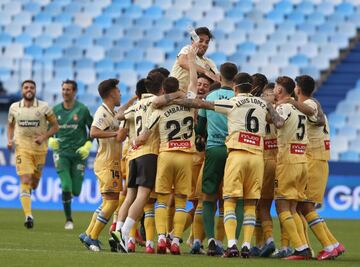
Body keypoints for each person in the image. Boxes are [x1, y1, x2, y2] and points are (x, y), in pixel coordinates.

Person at [289, 75, 345, 260]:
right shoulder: (314, 105)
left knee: (305, 207)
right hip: (317, 161)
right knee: (302, 207)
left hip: (314, 161)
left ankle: (328, 246)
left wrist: (289, 101)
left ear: (297, 89)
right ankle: (334, 244)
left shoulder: (310, 105)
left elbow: (309, 110)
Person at [112, 72, 165, 253]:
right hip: (148, 153)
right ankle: (125, 232)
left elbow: (118, 115)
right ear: (161, 88)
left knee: (129, 196)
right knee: (143, 196)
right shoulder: (158, 104)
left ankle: (118, 230)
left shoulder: (137, 105)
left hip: (132, 156)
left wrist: (134, 99)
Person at [265, 76, 311, 260]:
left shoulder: (283, 107)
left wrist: (269, 105)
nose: (274, 90)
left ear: (280, 90)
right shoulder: (298, 109)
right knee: (293, 208)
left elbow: (279, 123)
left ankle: (301, 248)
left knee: (282, 204)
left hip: (288, 161)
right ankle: (303, 247)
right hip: (302, 160)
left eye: (275, 87)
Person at [195, 62, 239, 256]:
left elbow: (200, 130)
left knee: (208, 196)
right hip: (235, 150)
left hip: (213, 149)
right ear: (235, 78)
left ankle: (210, 239)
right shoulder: (239, 99)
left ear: (219, 76)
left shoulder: (210, 97)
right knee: (233, 198)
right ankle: (233, 242)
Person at [80, 79, 125, 252]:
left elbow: (121, 112)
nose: (120, 93)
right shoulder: (102, 112)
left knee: (107, 202)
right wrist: (116, 133)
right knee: (112, 203)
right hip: (107, 163)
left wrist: (135, 97)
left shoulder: (110, 112)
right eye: (118, 91)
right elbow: (93, 132)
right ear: (112, 93)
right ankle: (93, 237)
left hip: (109, 162)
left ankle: (88, 233)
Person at [7, 80, 59, 228]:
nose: (29, 89)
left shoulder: (44, 107)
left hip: (40, 150)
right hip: (22, 148)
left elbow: (56, 127)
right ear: (22, 90)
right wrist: (10, 139)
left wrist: (44, 137)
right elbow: (10, 125)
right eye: (26, 87)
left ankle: (31, 187)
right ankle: (28, 215)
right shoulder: (14, 108)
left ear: (35, 90)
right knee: (25, 178)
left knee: (34, 183)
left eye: (31, 87)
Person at [48, 80, 93, 230]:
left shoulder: (82, 109)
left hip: (79, 154)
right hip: (61, 154)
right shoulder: (55, 110)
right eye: (63, 89)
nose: (65, 92)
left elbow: (92, 130)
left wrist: (88, 144)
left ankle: (70, 198)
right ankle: (69, 219)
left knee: (76, 191)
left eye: (68, 89)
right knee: (66, 185)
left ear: (74, 92)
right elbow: (49, 130)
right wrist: (50, 140)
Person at [170, 26, 219, 92]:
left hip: (191, 96)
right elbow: (182, 62)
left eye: (207, 42)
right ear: (192, 41)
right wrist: (205, 71)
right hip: (176, 92)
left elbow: (217, 79)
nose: (204, 44)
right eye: (200, 41)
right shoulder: (188, 50)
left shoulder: (209, 62)